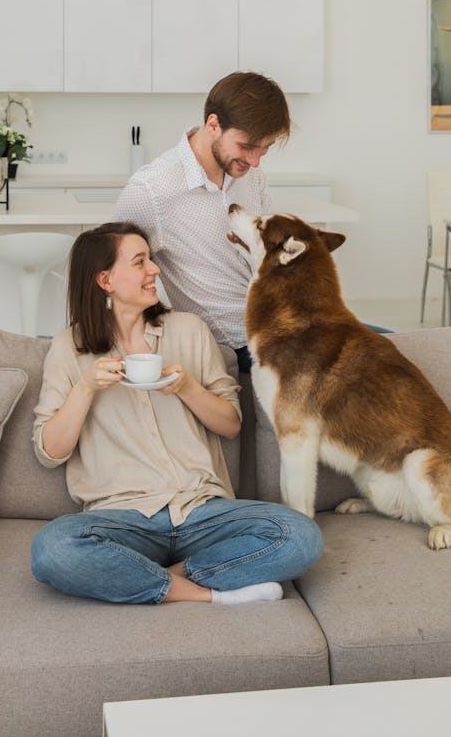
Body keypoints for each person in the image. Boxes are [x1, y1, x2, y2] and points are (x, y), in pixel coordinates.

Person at [30, 221, 323, 605]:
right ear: (105, 280)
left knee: (301, 536)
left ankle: (161, 579)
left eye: (150, 259)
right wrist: (85, 387)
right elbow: (49, 452)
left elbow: (231, 425)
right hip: (122, 518)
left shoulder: (189, 330)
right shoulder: (70, 348)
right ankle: (212, 596)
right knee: (52, 549)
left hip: (202, 510)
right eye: (140, 262)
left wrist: (187, 388)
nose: (155, 270)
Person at [113, 71, 290, 373]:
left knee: (391, 345)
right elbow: (114, 276)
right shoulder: (152, 191)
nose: (256, 161)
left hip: (283, 320)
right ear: (213, 124)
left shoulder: (251, 174)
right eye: (247, 146)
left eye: (265, 149)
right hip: (236, 338)